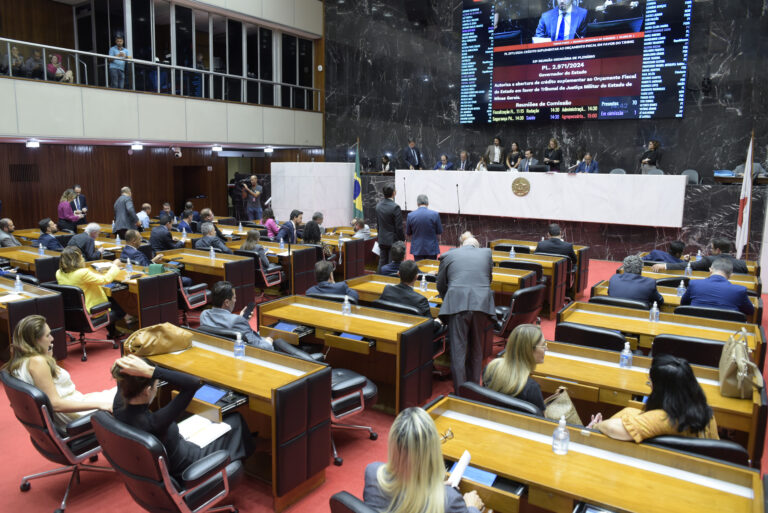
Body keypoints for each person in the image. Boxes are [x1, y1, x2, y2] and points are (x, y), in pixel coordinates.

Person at [111, 354, 255, 482]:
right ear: (147, 391)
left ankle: (240, 454)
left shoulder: (119, 404)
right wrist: (153, 371)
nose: (156, 389)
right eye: (156, 386)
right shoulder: (155, 422)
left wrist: (137, 368)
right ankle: (244, 460)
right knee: (235, 420)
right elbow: (192, 383)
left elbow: (124, 378)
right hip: (189, 463)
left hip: (172, 454)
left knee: (207, 418)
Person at [363, 407, 484, 513]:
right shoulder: (450, 500)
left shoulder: (373, 473)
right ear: (433, 449)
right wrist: (472, 507)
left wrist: (434, 488)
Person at [3, 315, 114, 427]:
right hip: (72, 414)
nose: (52, 338)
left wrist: (47, 356)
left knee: (119, 391)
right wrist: (100, 405)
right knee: (126, 397)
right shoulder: (38, 362)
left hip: (75, 402)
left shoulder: (18, 361)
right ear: (35, 340)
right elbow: (55, 404)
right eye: (47, 335)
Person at [591, 354, 719, 442]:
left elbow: (615, 428)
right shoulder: (706, 413)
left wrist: (597, 426)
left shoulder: (664, 418)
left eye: (651, 383)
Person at [437, 237, 495, 392]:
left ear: (461, 246)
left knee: (458, 350)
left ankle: (460, 391)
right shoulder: (486, 254)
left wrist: (449, 300)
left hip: (457, 303)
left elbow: (440, 284)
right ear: (477, 247)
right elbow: (489, 279)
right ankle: (474, 389)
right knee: (476, 347)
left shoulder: (450, 254)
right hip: (480, 303)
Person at [56, 246, 126, 338]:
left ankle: (113, 332)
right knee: (120, 309)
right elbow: (105, 279)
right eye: (81, 256)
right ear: (76, 260)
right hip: (91, 310)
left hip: (74, 311)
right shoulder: (82, 273)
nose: (83, 258)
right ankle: (116, 330)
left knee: (110, 300)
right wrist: (114, 266)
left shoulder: (58, 273)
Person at [483, 324, 547, 412]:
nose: (546, 349)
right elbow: (541, 422)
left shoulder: (490, 368)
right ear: (529, 350)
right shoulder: (532, 389)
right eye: (543, 345)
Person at [199, 281, 274, 349]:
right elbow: (261, 348)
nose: (235, 300)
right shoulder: (237, 320)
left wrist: (242, 320)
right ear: (227, 302)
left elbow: (221, 326)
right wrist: (268, 342)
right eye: (234, 298)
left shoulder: (204, 314)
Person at [680, 258, 754, 315]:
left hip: (695, 329)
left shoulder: (694, 284)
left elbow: (683, 303)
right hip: (728, 332)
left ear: (710, 270)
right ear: (731, 275)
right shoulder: (739, 290)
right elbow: (750, 311)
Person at [653, 238, 748, 274]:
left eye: (712, 248)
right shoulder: (742, 264)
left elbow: (689, 266)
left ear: (718, 250)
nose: (710, 250)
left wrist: (665, 266)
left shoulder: (709, 260)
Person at [375, 185, 405, 272]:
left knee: (382, 262)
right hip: (392, 241)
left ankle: (378, 280)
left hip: (382, 239)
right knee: (391, 264)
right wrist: (402, 239)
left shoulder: (378, 206)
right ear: (394, 193)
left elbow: (378, 225)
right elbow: (399, 227)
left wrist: (380, 236)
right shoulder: (395, 207)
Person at [407, 194, 442, 261]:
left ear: (417, 203)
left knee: (419, 269)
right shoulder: (435, 214)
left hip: (417, 248)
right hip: (431, 248)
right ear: (427, 203)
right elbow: (439, 231)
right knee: (431, 270)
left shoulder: (410, 215)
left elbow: (408, 232)